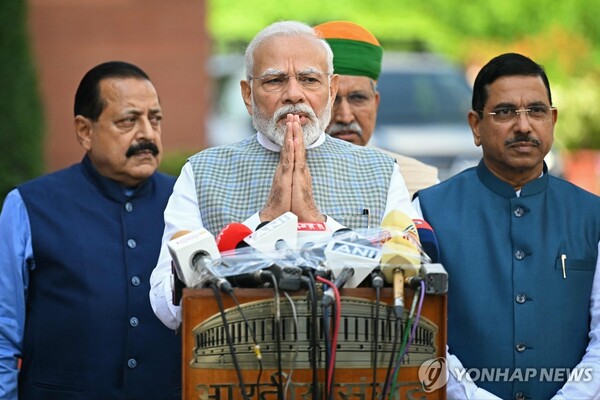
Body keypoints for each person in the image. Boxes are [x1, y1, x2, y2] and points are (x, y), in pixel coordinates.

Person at [149, 20, 418, 330]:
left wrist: (319, 222)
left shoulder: (380, 172)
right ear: (248, 95)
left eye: (308, 79)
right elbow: (166, 307)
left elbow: (410, 286)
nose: (293, 94)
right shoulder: (202, 172)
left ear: (331, 90)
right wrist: (264, 222)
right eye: (275, 80)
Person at [414, 53, 600, 399]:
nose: (524, 126)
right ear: (475, 125)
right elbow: (419, 330)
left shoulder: (592, 215)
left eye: (537, 111)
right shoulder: (428, 211)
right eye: (504, 112)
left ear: (553, 120)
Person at [0, 61, 181, 399]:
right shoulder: (28, 206)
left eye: (154, 119)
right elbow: (2, 334)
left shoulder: (186, 202)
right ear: (85, 131)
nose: (147, 134)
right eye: (129, 120)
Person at [314, 21, 438, 198]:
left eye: (358, 98)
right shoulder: (271, 178)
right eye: (331, 101)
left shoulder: (419, 183)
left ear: (375, 103)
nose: (345, 116)